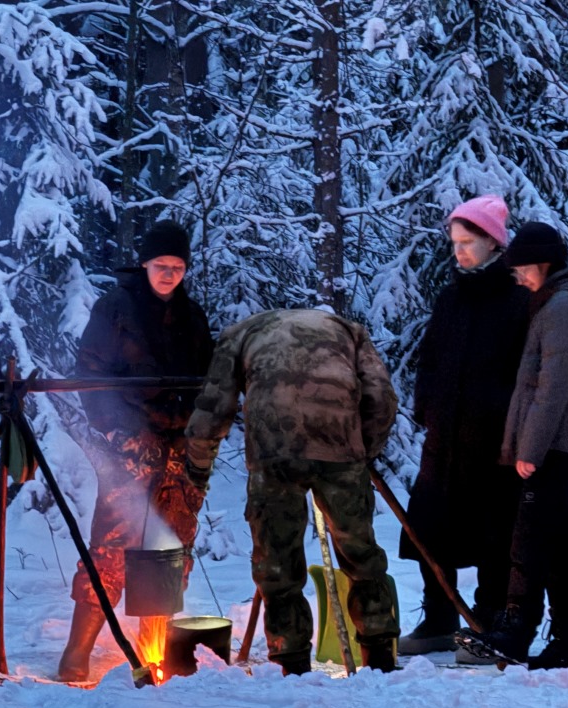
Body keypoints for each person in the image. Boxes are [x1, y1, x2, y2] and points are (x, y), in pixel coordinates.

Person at [184, 308, 400, 674]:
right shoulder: (348, 330)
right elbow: (381, 398)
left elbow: (213, 407)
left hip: (274, 455)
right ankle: (379, 659)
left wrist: (197, 469)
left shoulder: (239, 335)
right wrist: (361, 450)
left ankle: (292, 664)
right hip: (340, 451)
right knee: (361, 556)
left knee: (277, 564)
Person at [57, 219, 214, 683]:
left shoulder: (193, 317)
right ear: (144, 263)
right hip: (131, 445)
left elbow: (209, 379)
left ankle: (155, 652)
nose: (169, 274)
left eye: (178, 267)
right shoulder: (116, 309)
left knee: (169, 544)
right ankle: (76, 654)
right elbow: (91, 372)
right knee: (113, 541)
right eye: (162, 265)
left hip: (179, 446)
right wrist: (116, 432)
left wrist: (199, 435)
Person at [456, 221, 568, 671]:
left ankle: (517, 631)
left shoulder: (565, 308)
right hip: (556, 442)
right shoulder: (557, 303)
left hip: (555, 444)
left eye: (521, 268)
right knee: (557, 541)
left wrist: (531, 449)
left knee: (528, 539)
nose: (517, 276)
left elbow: (552, 388)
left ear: (543, 264)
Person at [398, 194, 531, 661]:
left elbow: (525, 370)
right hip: (445, 438)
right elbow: (430, 359)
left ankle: (487, 620)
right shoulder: (451, 296)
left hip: (493, 442)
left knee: (494, 534)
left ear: (494, 244)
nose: (458, 252)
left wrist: (507, 420)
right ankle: (439, 617)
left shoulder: (517, 300)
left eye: (468, 242)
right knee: (431, 528)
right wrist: (427, 407)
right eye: (454, 242)